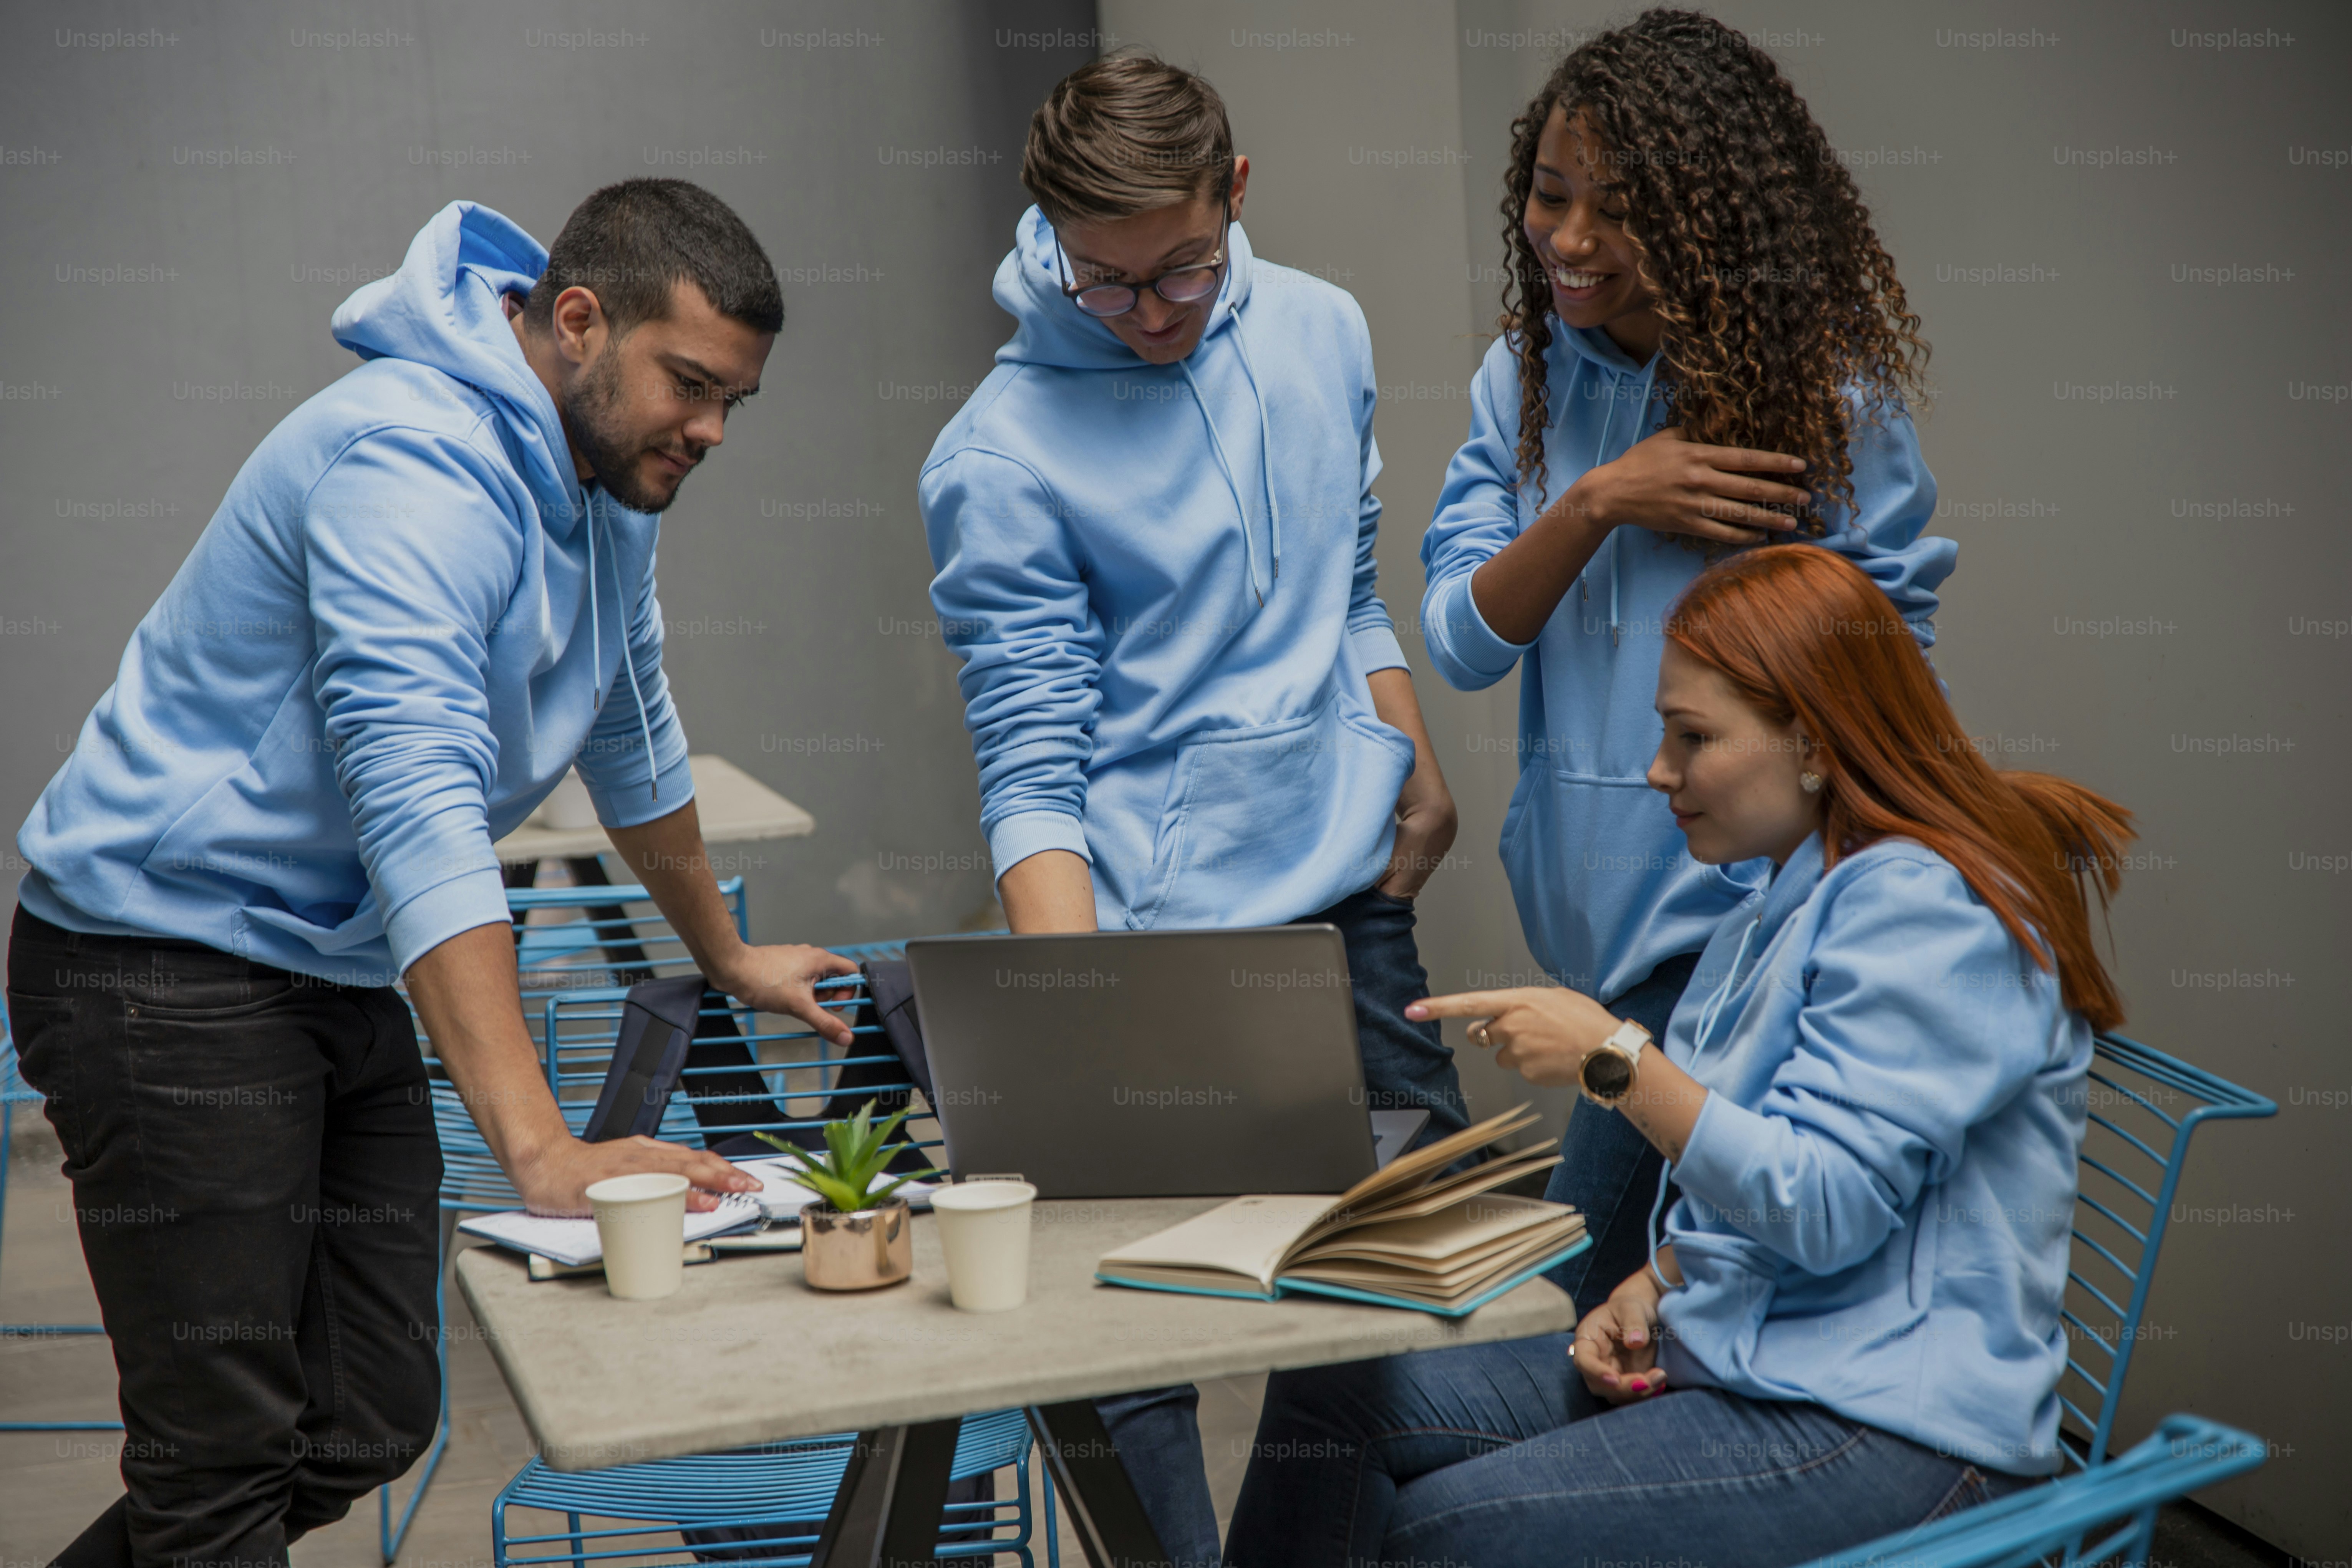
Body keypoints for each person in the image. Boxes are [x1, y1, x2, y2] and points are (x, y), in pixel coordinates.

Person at [7, 181, 860, 1568]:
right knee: (220, 1461)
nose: (709, 431)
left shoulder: (604, 481)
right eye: (691, 386)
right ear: (578, 322)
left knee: (370, 1411)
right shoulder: (407, 464)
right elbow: (417, 801)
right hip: (159, 963)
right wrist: (541, 1149)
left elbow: (635, 730)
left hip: (322, 963)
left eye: (732, 404)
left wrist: (725, 953)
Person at [1225, 544, 2133, 1566]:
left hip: (1899, 1434)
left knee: (1443, 1534)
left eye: (1690, 736)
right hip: (1762, 1364)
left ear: (1814, 744)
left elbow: (1823, 1207)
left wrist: (1613, 1059)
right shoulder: (1785, 893)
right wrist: (1655, 1282)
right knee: (1329, 1394)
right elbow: (1784, 1171)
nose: (1658, 771)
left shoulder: (1927, 908)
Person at [918, 53, 1465, 1568]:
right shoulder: (999, 455)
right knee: (1132, 1339)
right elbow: (1030, 773)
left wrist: (1406, 748)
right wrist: (1078, 1016)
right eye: (1104, 284)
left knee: (1405, 1301)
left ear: (1237, 195)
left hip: (1350, 911)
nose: (1151, 316)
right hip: (1149, 941)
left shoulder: (1322, 327)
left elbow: (1347, 587)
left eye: (1182, 273)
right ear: (1049, 238)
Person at [1419, 7, 1958, 1318]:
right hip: (1581, 928)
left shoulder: (1817, 395)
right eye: (1550, 196)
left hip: (1732, 929)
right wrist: (1599, 500)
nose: (1572, 240)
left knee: (1545, 1305)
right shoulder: (1525, 377)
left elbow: (1896, 669)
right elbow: (1460, 640)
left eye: (1620, 209)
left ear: (1712, 219)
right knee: (1628, 1308)